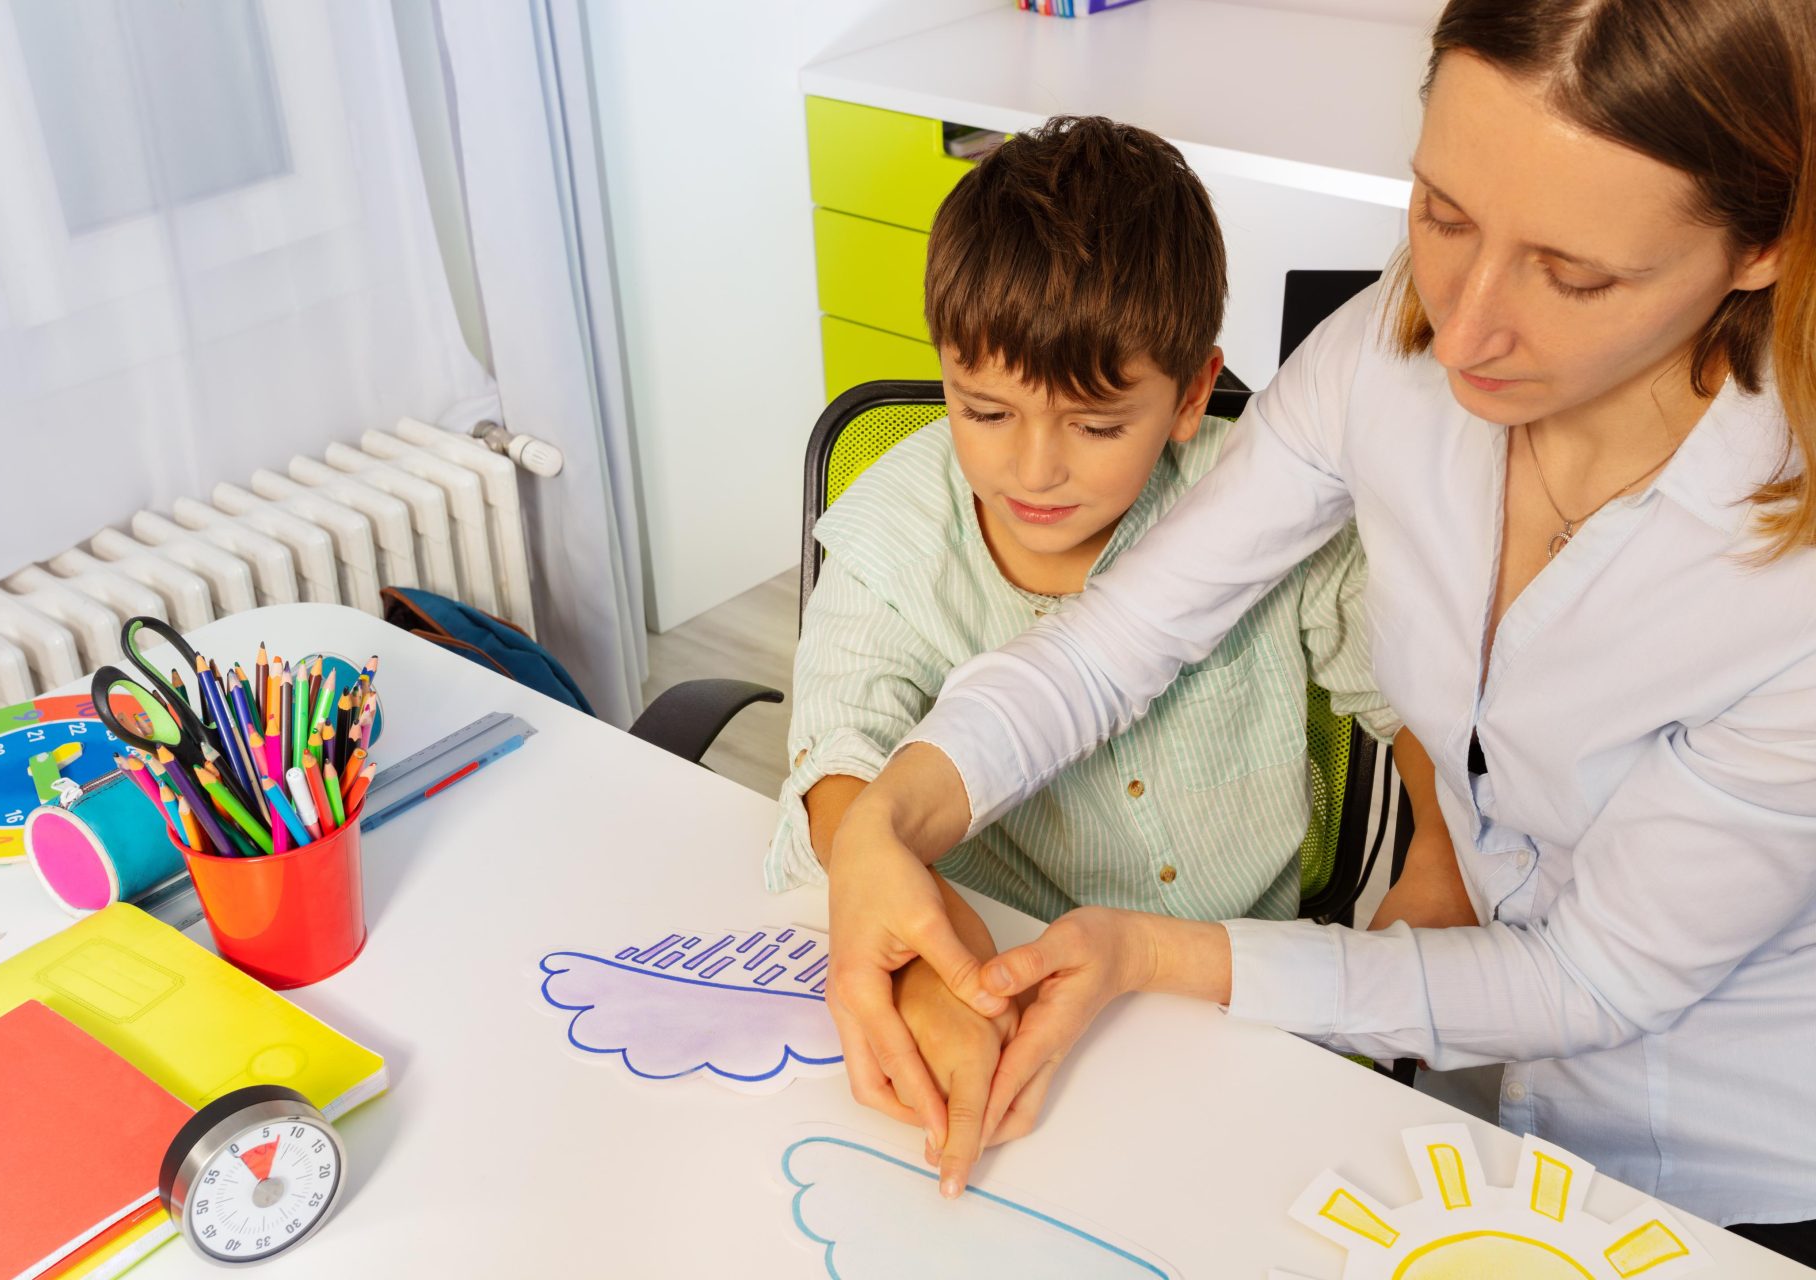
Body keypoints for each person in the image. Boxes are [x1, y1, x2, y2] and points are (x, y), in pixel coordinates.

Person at [824, 0, 1816, 1261]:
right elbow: (1114, 638)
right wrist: (891, 818)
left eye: (1574, 275)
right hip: (1499, 1107)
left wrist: (1159, 953)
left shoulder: (1788, 586)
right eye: (1442, 214)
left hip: (1743, 1162)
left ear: (1762, 246)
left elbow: (1595, 980)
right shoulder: (1383, 361)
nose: (1457, 331)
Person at [771, 116, 1453, 1182]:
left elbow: (1416, 699)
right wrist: (920, 952)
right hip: (995, 972)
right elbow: (835, 751)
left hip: (1226, 994)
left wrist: (1443, 860)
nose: (1033, 468)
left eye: (1094, 425)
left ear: (1190, 394)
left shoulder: (1266, 502)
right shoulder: (896, 527)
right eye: (984, 408)